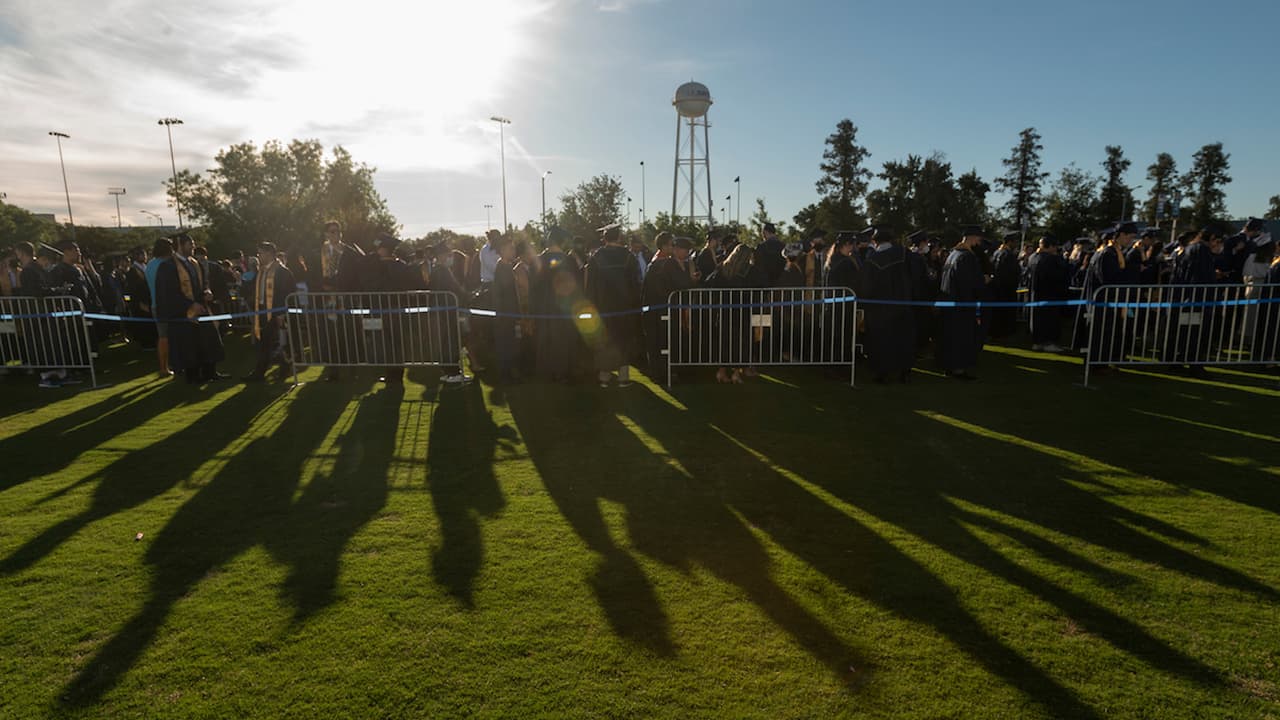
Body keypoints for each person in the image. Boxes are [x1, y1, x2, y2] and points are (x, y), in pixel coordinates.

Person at [584, 223, 642, 388]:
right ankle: (623, 378)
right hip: (624, 308)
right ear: (619, 237)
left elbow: (590, 286)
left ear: (604, 238)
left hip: (603, 308)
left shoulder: (596, 257)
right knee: (623, 341)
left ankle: (604, 378)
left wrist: (591, 305)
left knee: (604, 342)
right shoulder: (628, 256)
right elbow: (635, 283)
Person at [859, 225, 917, 383]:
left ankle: (881, 373)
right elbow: (915, 278)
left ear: (875, 241)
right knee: (903, 339)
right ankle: (904, 373)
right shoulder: (905, 254)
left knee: (881, 341)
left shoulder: (872, 261)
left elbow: (867, 288)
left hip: (880, 310)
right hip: (903, 305)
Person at [153, 237, 212, 384]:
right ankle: (192, 376)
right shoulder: (168, 266)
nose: (193, 246)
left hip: (198, 311)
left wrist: (206, 292)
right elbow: (169, 293)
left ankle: (205, 373)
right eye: (190, 244)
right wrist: (190, 305)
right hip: (181, 314)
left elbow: (201, 284)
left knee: (201, 344)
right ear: (180, 245)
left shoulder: (193, 263)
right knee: (187, 347)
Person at [641, 236, 696, 377]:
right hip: (663, 310)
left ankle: (670, 370)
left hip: (671, 309)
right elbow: (680, 284)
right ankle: (663, 372)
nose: (687, 253)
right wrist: (691, 278)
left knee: (670, 340)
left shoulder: (678, 264)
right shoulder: (666, 265)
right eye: (685, 249)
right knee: (662, 341)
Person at [937, 226, 986, 380]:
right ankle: (958, 369)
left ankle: (949, 366)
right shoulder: (966, 257)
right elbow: (967, 283)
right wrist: (982, 282)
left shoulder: (953, 254)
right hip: (961, 304)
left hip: (949, 302)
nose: (979, 241)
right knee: (960, 337)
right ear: (972, 237)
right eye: (978, 238)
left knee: (950, 337)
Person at [533, 227, 581, 383]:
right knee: (563, 340)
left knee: (545, 340)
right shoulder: (569, 261)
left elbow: (533, 287)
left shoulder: (538, 261)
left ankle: (546, 372)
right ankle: (562, 373)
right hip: (563, 308)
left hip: (543, 309)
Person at [243, 242, 296, 382]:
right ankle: (259, 372)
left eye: (260, 253)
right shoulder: (261, 271)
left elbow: (287, 293)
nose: (258, 256)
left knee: (282, 342)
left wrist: (281, 312)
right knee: (264, 342)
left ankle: (285, 370)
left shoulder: (282, 271)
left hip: (277, 312)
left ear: (269, 254)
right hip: (262, 310)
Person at [1026, 235, 1070, 352]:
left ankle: (1037, 341)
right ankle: (1049, 342)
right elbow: (1060, 275)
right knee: (1050, 318)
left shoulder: (1032, 257)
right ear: (1051, 246)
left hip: (1035, 293)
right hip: (1049, 293)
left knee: (1036, 318)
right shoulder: (1052, 259)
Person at [491, 234, 521, 385]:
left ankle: (509, 373)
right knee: (505, 345)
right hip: (504, 315)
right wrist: (502, 314)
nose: (514, 251)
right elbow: (500, 294)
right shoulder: (502, 268)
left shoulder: (507, 266)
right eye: (511, 248)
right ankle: (505, 375)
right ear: (503, 250)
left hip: (509, 313)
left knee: (510, 344)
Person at [987, 231, 1021, 340]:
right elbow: (1012, 273)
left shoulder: (997, 253)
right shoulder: (1007, 255)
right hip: (1006, 290)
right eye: (1015, 242)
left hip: (996, 289)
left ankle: (996, 332)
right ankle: (1002, 333)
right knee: (1003, 314)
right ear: (1010, 242)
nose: (1016, 244)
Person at [755, 221, 786, 287]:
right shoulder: (783, 246)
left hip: (764, 283)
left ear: (765, 232)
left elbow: (757, 264)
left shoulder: (761, 247)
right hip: (781, 283)